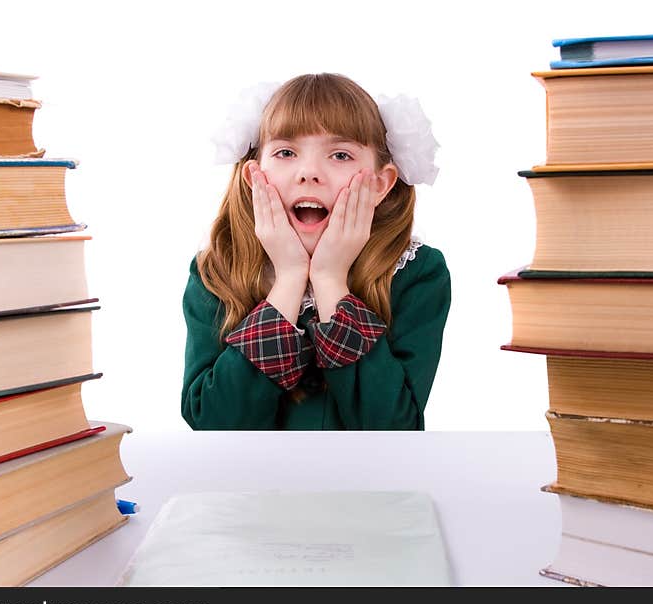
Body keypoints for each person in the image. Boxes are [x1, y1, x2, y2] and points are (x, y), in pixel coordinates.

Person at [182, 73, 451, 430]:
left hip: (366, 485)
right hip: (250, 485)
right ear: (254, 177)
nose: (309, 173)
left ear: (381, 184)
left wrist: (329, 280)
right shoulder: (215, 274)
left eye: (340, 155)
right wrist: (290, 280)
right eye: (286, 152)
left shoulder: (417, 273)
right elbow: (212, 426)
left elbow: (394, 430)